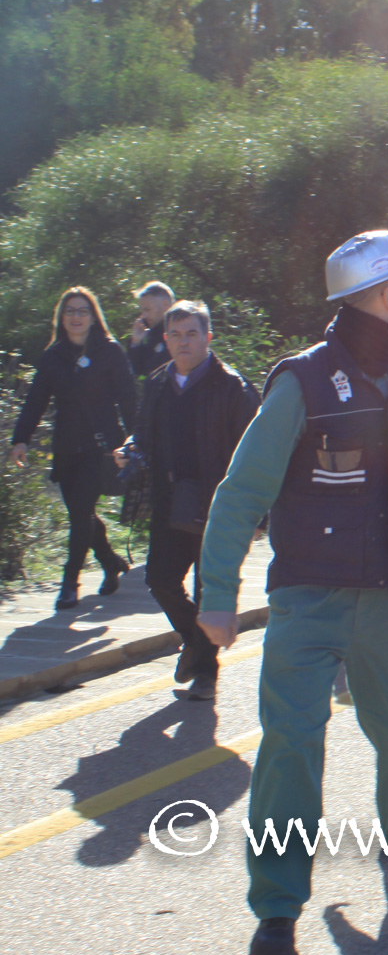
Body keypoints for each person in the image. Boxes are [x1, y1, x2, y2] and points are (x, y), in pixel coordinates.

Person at [195, 229, 388, 955]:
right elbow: (242, 490)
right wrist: (217, 594)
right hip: (307, 599)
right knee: (290, 746)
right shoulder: (303, 382)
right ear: (383, 297)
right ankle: (277, 905)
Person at [114, 300, 258, 701]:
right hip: (170, 501)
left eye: (192, 333)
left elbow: (256, 453)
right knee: (160, 580)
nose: (184, 342)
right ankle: (195, 642)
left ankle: (206, 676)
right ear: (165, 339)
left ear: (208, 337)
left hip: (218, 506)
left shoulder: (233, 387)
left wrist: (253, 514)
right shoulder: (158, 383)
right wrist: (130, 449)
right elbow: (142, 432)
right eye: (176, 335)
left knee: (208, 588)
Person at [10, 287, 136, 608]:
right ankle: (110, 561)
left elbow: (129, 399)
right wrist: (21, 438)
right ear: (61, 317)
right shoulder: (53, 356)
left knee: (80, 512)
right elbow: (36, 401)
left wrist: (138, 439)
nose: (76, 317)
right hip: (66, 449)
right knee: (82, 513)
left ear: (93, 317)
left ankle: (69, 583)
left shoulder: (110, 351)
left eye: (82, 311)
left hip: (101, 447)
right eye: (70, 311)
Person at [127, 281, 176, 378]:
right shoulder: (154, 335)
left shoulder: (181, 333)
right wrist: (136, 343)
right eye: (142, 311)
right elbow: (140, 370)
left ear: (165, 305)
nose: (144, 316)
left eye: (148, 310)